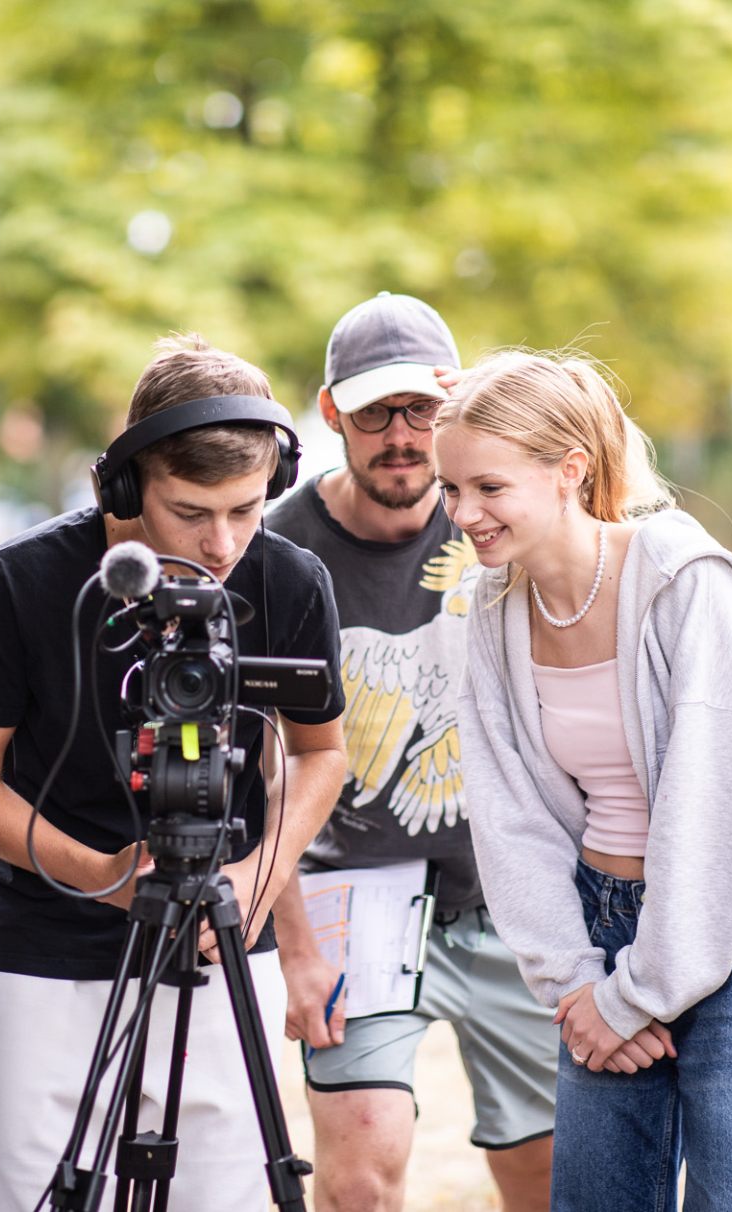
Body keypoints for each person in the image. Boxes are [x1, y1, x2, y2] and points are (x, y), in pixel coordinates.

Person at [0, 334, 349, 1211]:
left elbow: (321, 751)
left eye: (246, 509)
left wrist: (255, 878)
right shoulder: (24, 580)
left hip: (221, 943)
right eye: (192, 510)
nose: (225, 541)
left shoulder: (292, 580)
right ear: (123, 484)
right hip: (49, 953)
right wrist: (104, 877)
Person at [434, 350, 732, 1211]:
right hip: (597, 942)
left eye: (488, 488)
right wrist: (579, 985)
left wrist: (639, 992)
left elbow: (729, 811)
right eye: (451, 489)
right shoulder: (493, 614)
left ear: (569, 471)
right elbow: (510, 821)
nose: (464, 513)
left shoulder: (684, 587)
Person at [264, 293, 558, 1210]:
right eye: (373, 412)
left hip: (509, 892)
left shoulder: (509, 523)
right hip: (350, 889)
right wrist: (296, 946)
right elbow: (260, 766)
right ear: (330, 414)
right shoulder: (274, 547)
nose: (401, 436)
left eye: (423, 409)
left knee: (549, 1180)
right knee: (358, 1176)